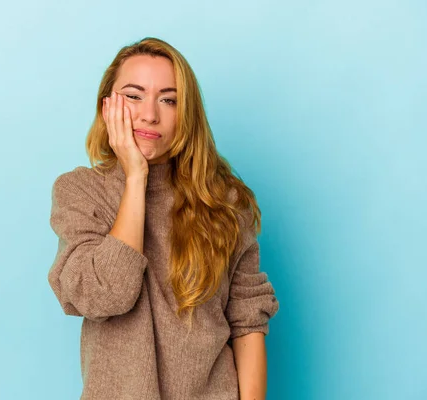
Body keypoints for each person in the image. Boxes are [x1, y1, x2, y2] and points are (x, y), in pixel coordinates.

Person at [48, 37, 279, 400]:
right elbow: (106, 295)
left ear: (186, 113)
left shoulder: (226, 202)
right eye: (134, 95)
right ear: (107, 106)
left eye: (168, 99)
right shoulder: (80, 192)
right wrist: (136, 176)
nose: (150, 114)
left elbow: (248, 321)